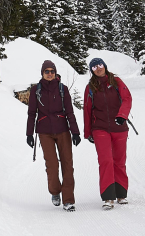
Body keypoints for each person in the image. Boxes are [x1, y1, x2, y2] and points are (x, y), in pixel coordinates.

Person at [26, 60, 81, 211]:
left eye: (52, 71)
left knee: (67, 164)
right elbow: (31, 113)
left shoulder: (62, 89)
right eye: (47, 71)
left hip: (63, 130)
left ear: (55, 73)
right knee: (52, 164)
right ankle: (55, 192)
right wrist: (29, 134)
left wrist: (75, 132)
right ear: (42, 73)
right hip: (44, 132)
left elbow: (70, 111)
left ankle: (68, 200)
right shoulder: (35, 90)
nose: (49, 74)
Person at [82, 57, 133, 210]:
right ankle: (108, 197)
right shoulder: (90, 87)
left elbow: (127, 99)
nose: (98, 68)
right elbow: (87, 110)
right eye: (94, 67)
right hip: (100, 128)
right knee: (106, 161)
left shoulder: (116, 82)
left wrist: (122, 116)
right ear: (91, 71)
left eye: (100, 65)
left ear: (104, 66)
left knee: (119, 161)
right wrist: (87, 132)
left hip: (119, 127)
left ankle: (121, 194)